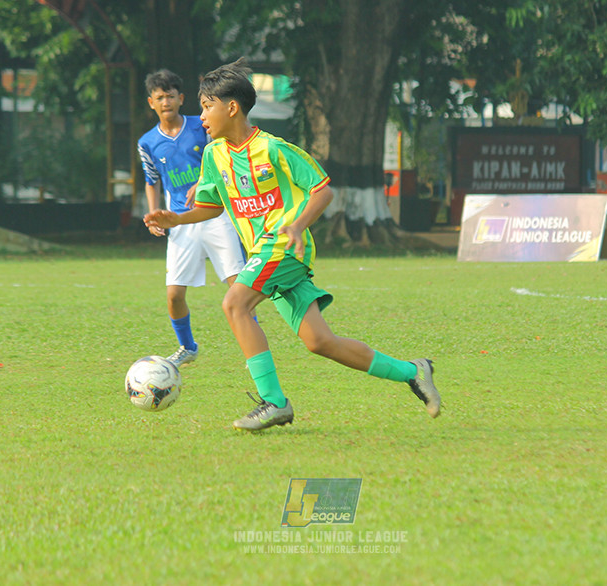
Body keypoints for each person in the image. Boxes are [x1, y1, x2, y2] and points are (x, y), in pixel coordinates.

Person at [144, 58, 441, 431]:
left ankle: (274, 402)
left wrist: (298, 224)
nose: (200, 116)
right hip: (264, 254)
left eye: (207, 107)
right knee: (320, 341)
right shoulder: (214, 155)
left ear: (231, 108)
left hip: (282, 247)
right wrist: (177, 219)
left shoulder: (274, 149)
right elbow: (210, 205)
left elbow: (322, 191)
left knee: (234, 303)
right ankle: (413, 372)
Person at [138, 69, 248, 368]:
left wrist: (203, 180)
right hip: (180, 221)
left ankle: (252, 341)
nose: (166, 102)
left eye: (171, 96)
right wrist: (154, 216)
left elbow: (221, 149)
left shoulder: (200, 126)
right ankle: (187, 347)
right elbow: (151, 180)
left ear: (180, 98)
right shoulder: (147, 142)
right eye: (159, 98)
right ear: (151, 102)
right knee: (174, 295)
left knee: (239, 285)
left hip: (216, 215)